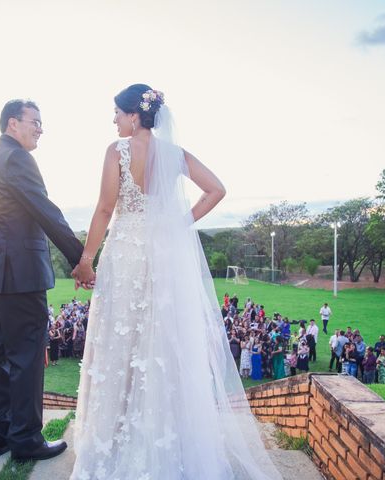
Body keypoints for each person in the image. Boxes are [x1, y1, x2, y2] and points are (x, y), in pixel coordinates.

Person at [70, 85, 280, 479]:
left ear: (135, 115)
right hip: (164, 255)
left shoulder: (118, 150)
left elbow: (104, 207)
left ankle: (113, 438)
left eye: (116, 112)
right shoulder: (174, 154)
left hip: (126, 255)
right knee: (161, 341)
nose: (113, 120)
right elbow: (216, 189)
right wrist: (178, 223)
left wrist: (86, 259)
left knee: (120, 342)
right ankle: (163, 438)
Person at [0, 99, 86, 462]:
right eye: (35, 121)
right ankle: (26, 440)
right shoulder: (18, 158)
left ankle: (0, 435)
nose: (40, 128)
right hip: (20, 275)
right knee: (26, 357)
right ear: (12, 124)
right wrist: (81, 257)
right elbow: (45, 210)